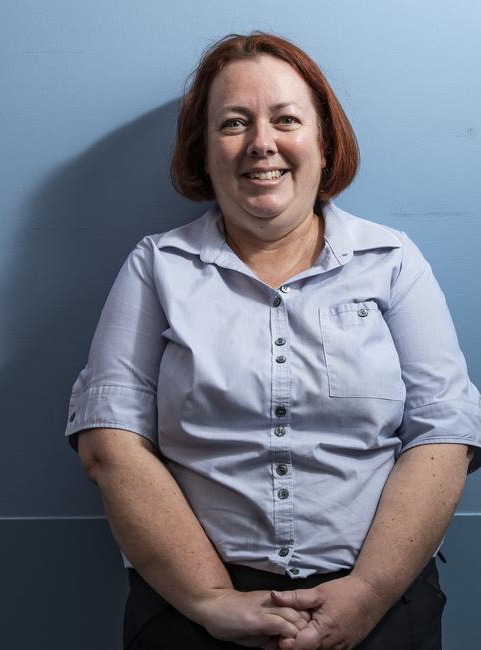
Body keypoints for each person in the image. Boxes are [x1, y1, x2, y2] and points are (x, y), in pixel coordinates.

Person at [65, 32, 481, 649]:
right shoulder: (156, 267)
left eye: (286, 119)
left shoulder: (393, 262)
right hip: (192, 611)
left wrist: (365, 595)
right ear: (203, 153)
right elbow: (110, 442)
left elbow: (445, 434)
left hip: (380, 598)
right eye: (234, 123)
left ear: (324, 141)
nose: (262, 143)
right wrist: (213, 602)